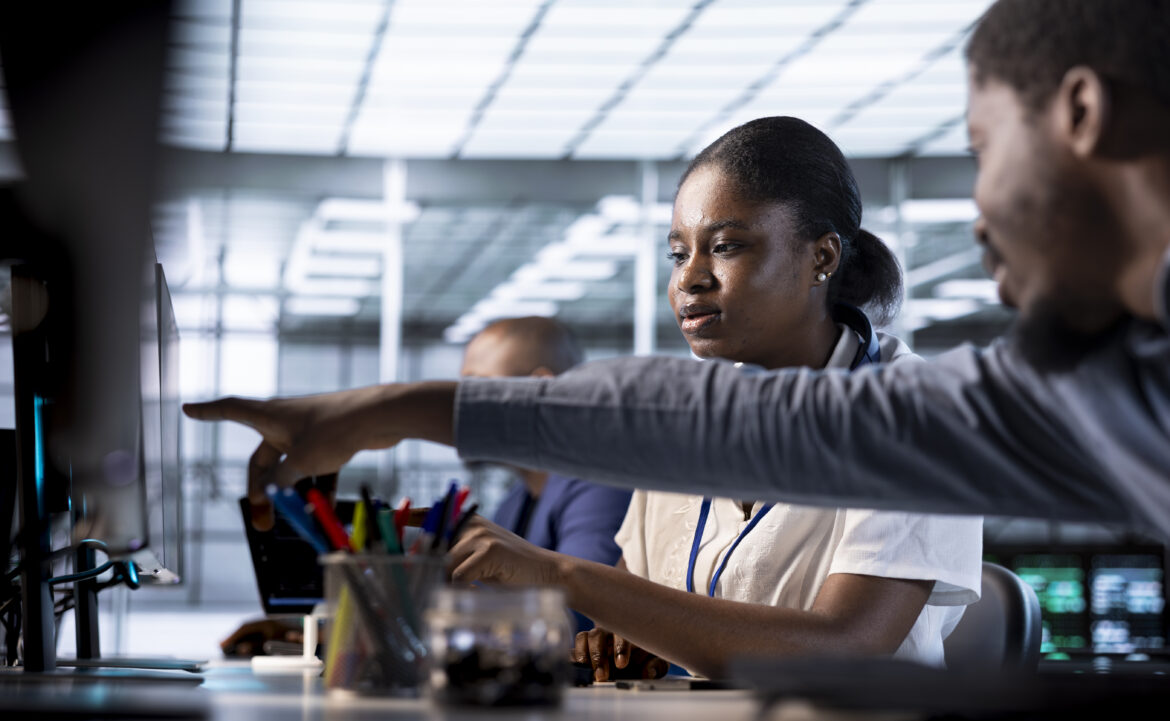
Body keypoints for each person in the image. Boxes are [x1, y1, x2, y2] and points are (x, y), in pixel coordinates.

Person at [184, 0, 1170, 574]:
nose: (977, 209)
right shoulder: (1090, 392)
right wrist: (393, 407)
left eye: (982, 150)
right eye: (676, 251)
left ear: (1081, 112)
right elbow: (755, 426)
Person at [448, 118, 981, 679]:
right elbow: (638, 605)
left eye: (725, 246)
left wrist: (561, 575)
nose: (690, 279)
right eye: (679, 254)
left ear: (822, 258)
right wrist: (627, 641)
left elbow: (846, 646)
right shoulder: (673, 419)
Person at [460, 316, 631, 632]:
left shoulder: (601, 484)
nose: (460, 406)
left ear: (539, 388)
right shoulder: (518, 496)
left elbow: (582, 611)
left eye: (476, 386)